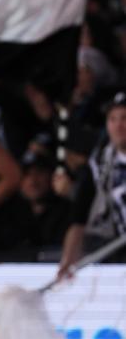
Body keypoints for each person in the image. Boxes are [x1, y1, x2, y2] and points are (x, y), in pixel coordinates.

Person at [58, 92, 126, 280]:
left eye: (124, 118)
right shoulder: (98, 166)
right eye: (112, 119)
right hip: (116, 257)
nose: (118, 125)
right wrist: (68, 261)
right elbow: (79, 218)